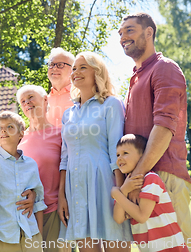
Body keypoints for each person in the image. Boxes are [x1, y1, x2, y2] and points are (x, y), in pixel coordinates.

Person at [118, 12, 191, 251]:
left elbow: (164, 128)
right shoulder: (135, 79)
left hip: (164, 175)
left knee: (177, 247)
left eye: (130, 30)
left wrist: (135, 178)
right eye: (120, 33)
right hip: (143, 179)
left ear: (149, 32)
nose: (123, 37)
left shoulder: (164, 69)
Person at [58, 52, 133, 251]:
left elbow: (116, 153)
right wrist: (61, 196)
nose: (76, 72)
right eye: (74, 68)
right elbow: (64, 159)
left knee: (114, 243)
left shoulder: (111, 104)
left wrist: (121, 196)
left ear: (97, 72)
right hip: (76, 191)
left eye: (83, 67)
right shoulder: (68, 113)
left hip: (105, 186)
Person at [111, 134, 188, 252]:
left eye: (125, 153)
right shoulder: (126, 186)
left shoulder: (151, 179)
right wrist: (123, 190)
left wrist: (116, 193)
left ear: (142, 156)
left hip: (170, 248)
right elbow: (118, 218)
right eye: (117, 155)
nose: (120, 158)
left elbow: (142, 216)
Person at [16, 85, 68, 252]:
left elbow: (67, 170)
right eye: (23, 101)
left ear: (45, 100)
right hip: (27, 214)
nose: (27, 103)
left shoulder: (61, 134)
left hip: (55, 211)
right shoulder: (18, 140)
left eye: (30, 97)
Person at [0, 111, 47, 252]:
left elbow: (38, 202)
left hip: (31, 235)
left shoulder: (30, 164)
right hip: (4, 238)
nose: (3, 130)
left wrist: (39, 236)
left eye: (9, 127)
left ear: (21, 133)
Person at [45, 48, 75, 127]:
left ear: (72, 70)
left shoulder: (80, 96)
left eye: (60, 65)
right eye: (51, 64)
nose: (54, 68)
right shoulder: (43, 101)